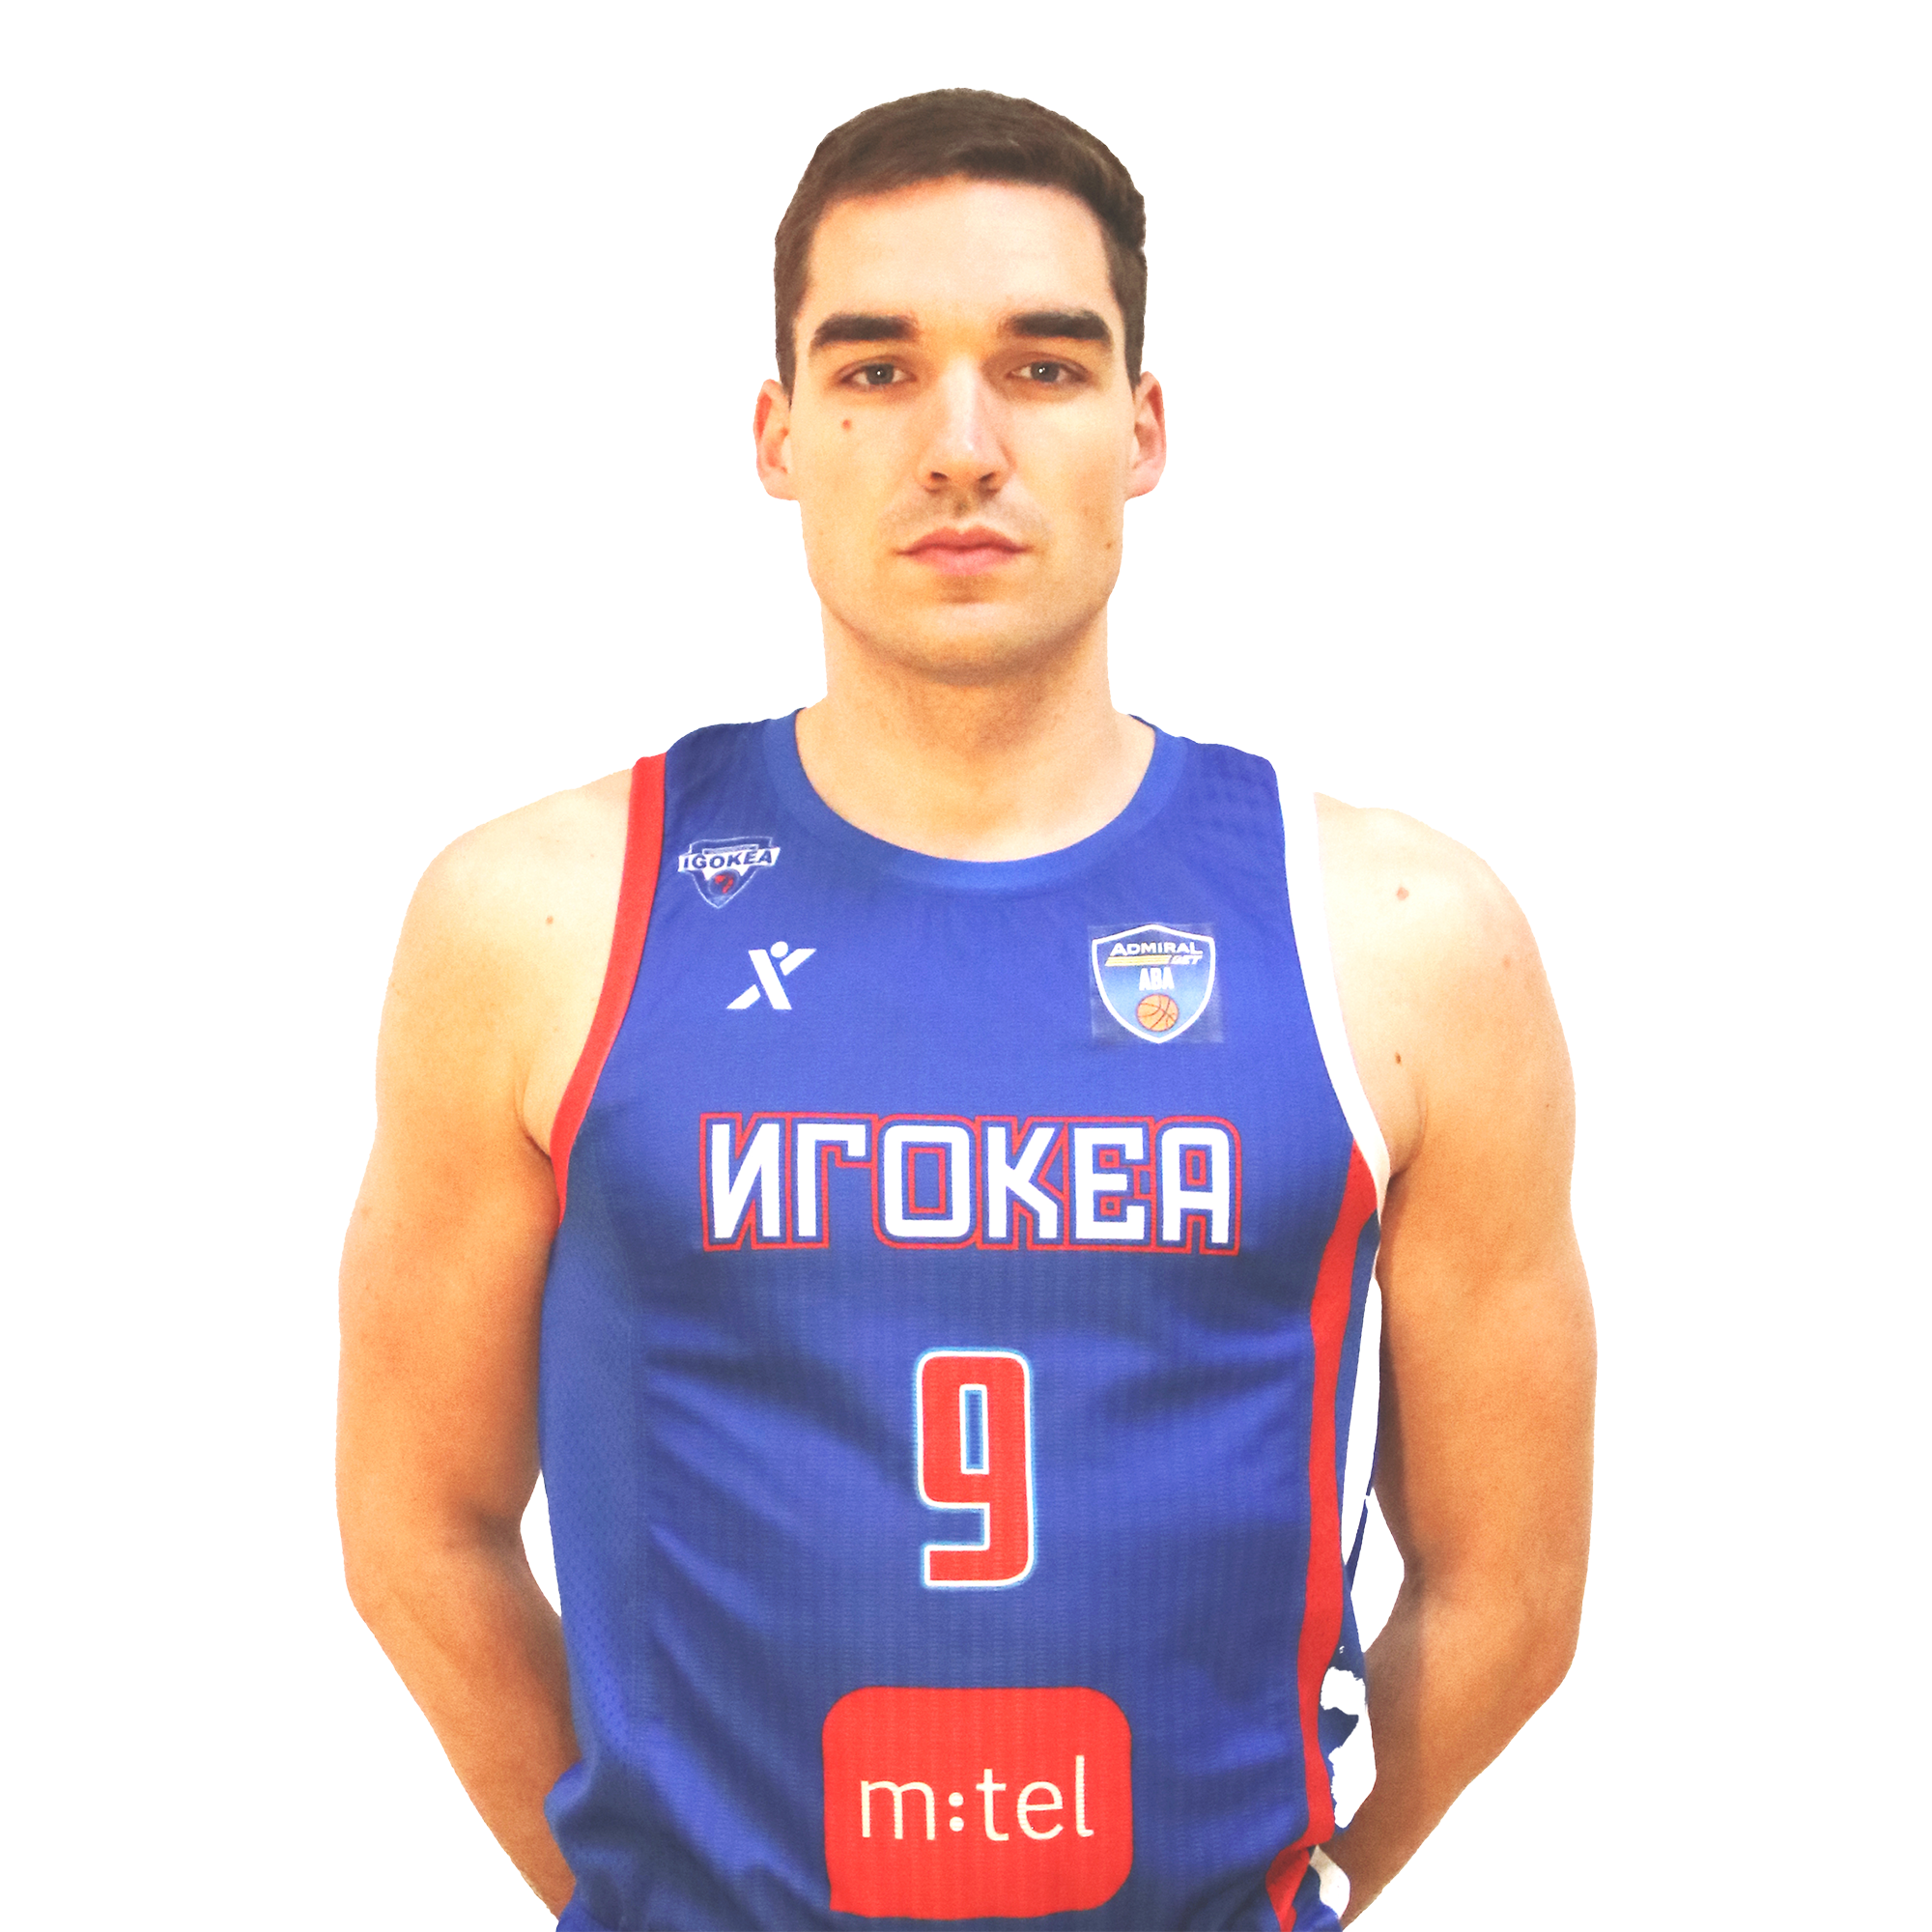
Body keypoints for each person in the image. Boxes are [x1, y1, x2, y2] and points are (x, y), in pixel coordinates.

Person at [336, 87, 1594, 1932]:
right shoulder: (535, 918)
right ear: (777, 438)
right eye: (876, 371)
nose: (960, 446)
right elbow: (416, 1530)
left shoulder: (1403, 938)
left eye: (1042, 367)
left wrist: (1278, 1893)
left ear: (1143, 430)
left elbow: (1512, 1593)